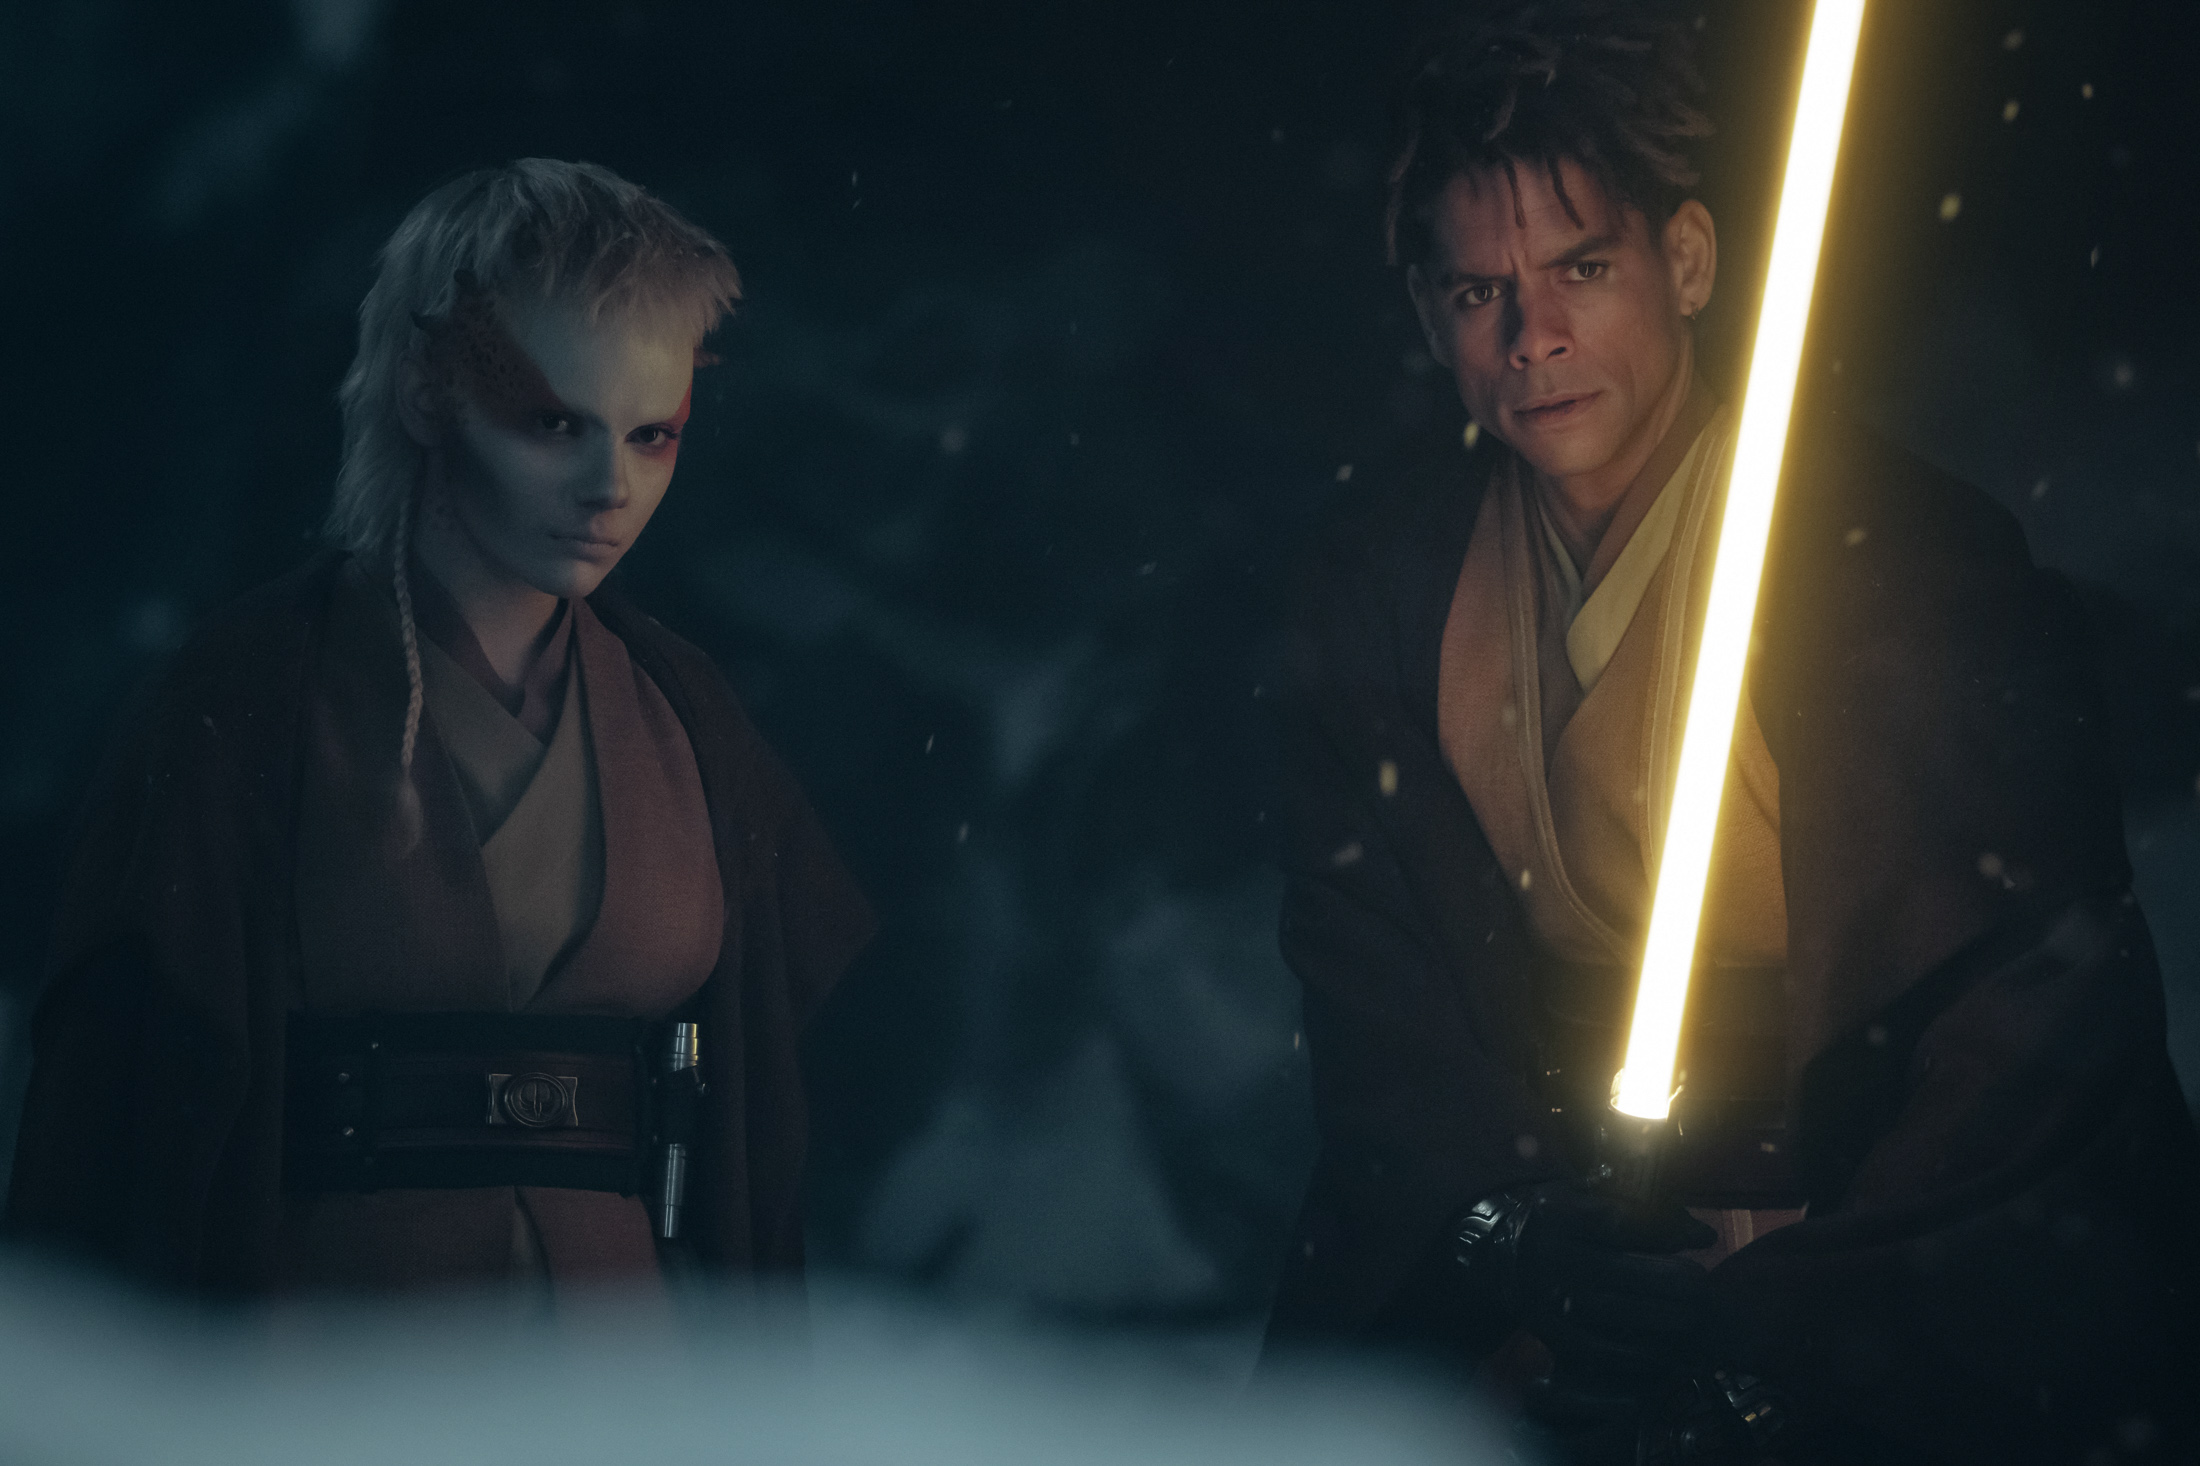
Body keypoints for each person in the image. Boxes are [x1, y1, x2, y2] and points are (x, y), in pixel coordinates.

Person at [1260, 8, 2200, 1463]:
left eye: (1583, 267)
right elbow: (1383, 1007)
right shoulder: (1380, 593)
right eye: (1480, 292)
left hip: (1858, 1267)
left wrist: (1777, 1319)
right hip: (1565, 1266)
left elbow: (2032, 1011)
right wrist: (1515, 1238)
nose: (1534, 337)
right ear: (1430, 319)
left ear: (1686, 261)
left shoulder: (1894, 561)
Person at [6, 160, 874, 1304]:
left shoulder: (686, 710)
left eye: (651, 435)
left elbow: (752, 1117)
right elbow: (117, 1107)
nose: (608, 485)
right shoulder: (252, 693)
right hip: (329, 1342)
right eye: (553, 422)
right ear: (427, 392)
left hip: (628, 1351)